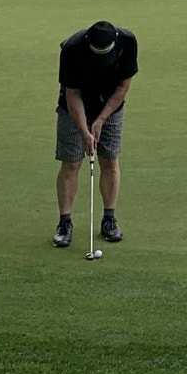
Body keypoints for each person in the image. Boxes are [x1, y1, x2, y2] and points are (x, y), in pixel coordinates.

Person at [53, 18, 138, 248]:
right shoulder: (72, 49)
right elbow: (73, 94)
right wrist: (84, 130)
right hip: (75, 107)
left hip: (110, 105)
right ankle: (65, 223)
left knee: (109, 159)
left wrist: (101, 119)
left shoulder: (128, 42)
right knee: (71, 162)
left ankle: (109, 219)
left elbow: (123, 87)